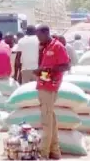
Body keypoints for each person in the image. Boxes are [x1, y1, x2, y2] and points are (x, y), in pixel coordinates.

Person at [35, 25, 70, 159]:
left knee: (46, 121)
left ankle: (43, 153)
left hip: (50, 86)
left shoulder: (58, 46)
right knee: (51, 119)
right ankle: (55, 151)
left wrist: (49, 70)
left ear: (46, 33)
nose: (38, 38)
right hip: (44, 83)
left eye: (39, 35)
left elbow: (66, 65)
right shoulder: (46, 47)